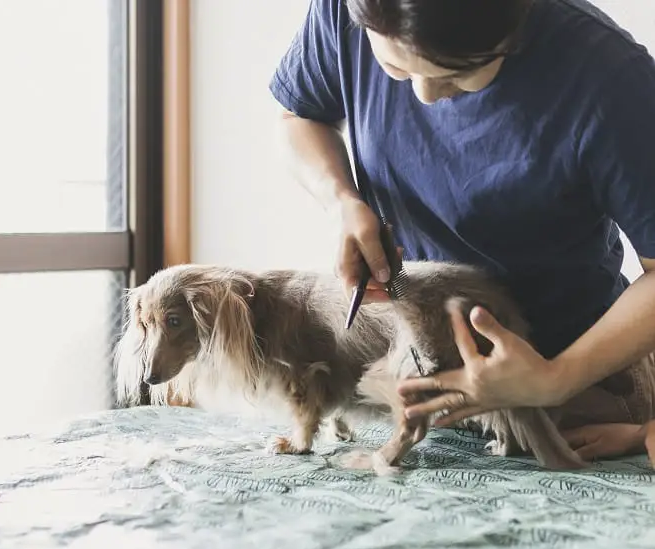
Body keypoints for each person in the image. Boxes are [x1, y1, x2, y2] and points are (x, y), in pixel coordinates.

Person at [271, 0, 655, 462]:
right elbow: (299, 116)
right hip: (426, 385)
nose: (426, 96)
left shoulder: (612, 79)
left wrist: (555, 379)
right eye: (394, 66)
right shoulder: (344, 9)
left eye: (460, 74)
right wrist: (343, 201)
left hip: (575, 395)